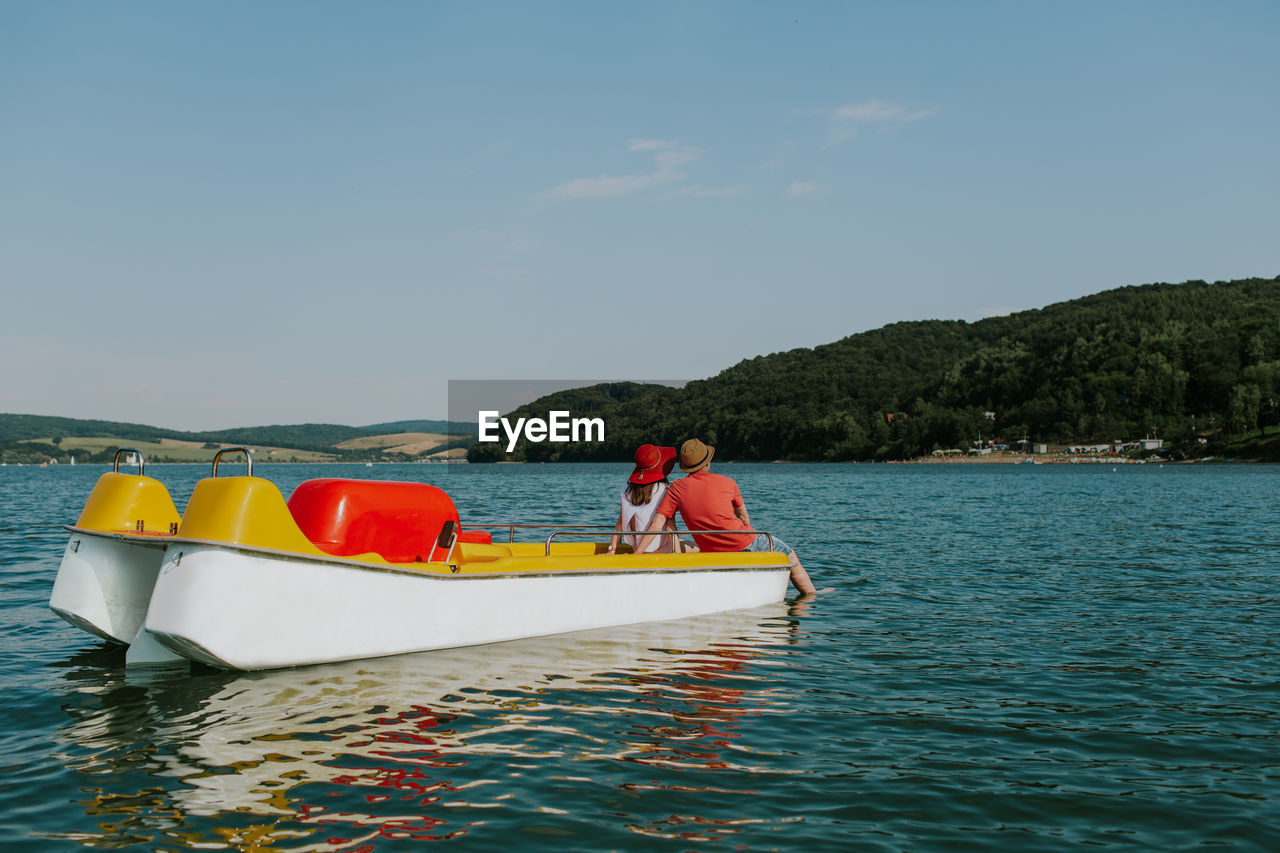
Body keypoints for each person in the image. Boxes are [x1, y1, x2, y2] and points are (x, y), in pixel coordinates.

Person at [634, 438, 816, 594]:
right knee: (790, 554)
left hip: (711, 550)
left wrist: (637, 554)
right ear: (707, 463)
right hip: (744, 542)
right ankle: (810, 596)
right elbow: (744, 517)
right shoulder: (728, 482)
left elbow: (657, 525)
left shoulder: (675, 488)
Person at [606, 444, 686, 554]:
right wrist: (678, 557)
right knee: (695, 547)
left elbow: (620, 520)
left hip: (637, 548)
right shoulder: (664, 490)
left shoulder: (626, 489)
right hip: (659, 551)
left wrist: (612, 549)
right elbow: (669, 526)